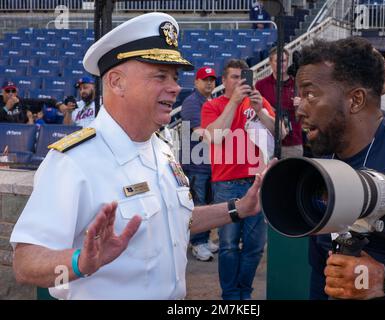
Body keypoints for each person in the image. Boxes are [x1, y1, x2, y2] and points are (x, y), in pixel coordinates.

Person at [10, 12, 269, 300]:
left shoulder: (161, 147)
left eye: (174, 76)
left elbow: (175, 220)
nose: (174, 87)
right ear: (117, 82)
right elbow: (25, 263)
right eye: (160, 76)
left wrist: (238, 208)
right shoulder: (73, 161)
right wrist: (78, 264)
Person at [295, 37, 385, 299]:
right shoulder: (321, 170)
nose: (299, 108)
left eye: (310, 94)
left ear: (355, 100)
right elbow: (322, 274)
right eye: (298, 96)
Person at [201, 59, 277, 300]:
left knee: (255, 246)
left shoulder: (258, 102)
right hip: (227, 182)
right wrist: (233, 103)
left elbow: (280, 133)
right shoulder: (213, 105)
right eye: (234, 77)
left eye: (242, 77)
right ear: (223, 81)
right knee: (229, 245)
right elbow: (214, 137)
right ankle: (231, 295)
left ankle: (244, 291)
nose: (239, 81)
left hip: (256, 180)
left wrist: (260, 113)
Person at [181, 66, 218, 261]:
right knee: (198, 204)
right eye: (205, 79)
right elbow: (200, 132)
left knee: (208, 204)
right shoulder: (192, 102)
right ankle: (197, 243)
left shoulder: (210, 101)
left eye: (212, 79)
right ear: (196, 82)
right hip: (195, 163)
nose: (209, 83)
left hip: (208, 162)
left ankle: (203, 238)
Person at [256, 46, 304, 158]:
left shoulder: (297, 84)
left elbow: (308, 110)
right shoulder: (261, 85)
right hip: (268, 141)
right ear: (270, 62)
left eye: (284, 60)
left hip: (293, 142)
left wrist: (302, 103)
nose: (281, 64)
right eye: (277, 61)